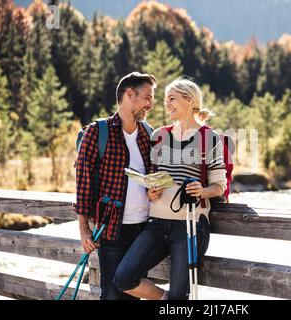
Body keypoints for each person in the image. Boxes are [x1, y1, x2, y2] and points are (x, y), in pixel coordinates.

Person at [113, 77, 227, 300]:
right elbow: (155, 175)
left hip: (189, 225)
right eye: (165, 100)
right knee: (124, 278)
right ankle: (167, 300)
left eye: (171, 99)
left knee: (179, 297)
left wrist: (202, 191)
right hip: (156, 223)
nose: (166, 105)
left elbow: (219, 186)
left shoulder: (209, 138)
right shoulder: (159, 136)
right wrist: (151, 190)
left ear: (189, 100)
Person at [74, 72, 157, 300]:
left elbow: (152, 179)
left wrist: (155, 189)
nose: (151, 104)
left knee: (133, 293)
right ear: (129, 94)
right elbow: (83, 183)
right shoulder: (97, 132)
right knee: (111, 295)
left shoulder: (148, 135)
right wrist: (83, 229)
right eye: (147, 98)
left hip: (144, 230)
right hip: (112, 230)